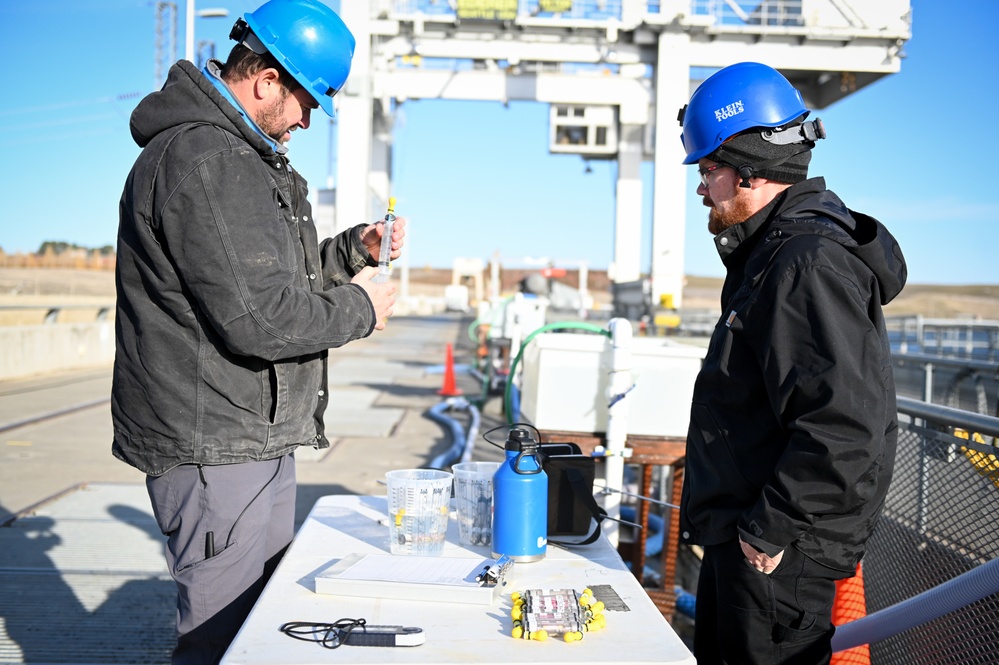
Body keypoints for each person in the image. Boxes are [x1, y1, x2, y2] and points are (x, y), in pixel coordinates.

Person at [111, 1, 404, 663]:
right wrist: (362, 310)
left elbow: (279, 281)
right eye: (307, 101)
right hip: (216, 445)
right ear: (268, 80)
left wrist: (353, 249)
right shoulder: (210, 162)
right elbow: (263, 319)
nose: (307, 118)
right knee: (218, 639)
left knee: (259, 630)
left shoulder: (243, 159)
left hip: (250, 434)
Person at [676, 62, 907, 664]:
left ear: (750, 168)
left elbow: (844, 424)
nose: (702, 187)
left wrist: (768, 528)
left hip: (778, 554)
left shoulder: (804, 263)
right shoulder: (772, 255)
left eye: (709, 170)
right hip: (755, 540)